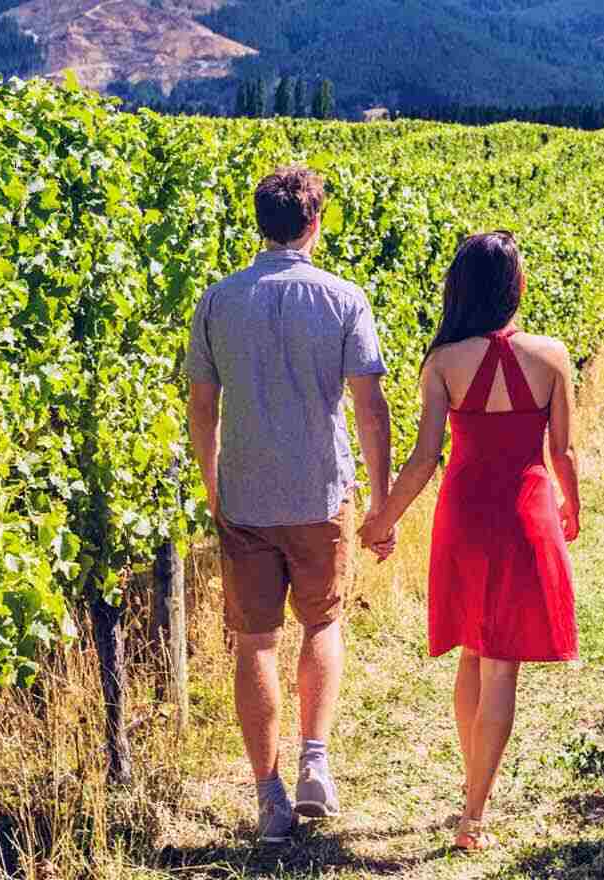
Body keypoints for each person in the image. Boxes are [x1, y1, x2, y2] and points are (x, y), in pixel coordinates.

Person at [186, 164, 395, 845]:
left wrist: (216, 487)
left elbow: (202, 409)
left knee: (255, 643)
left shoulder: (217, 301)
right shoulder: (343, 298)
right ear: (315, 223)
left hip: (245, 495)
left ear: (260, 222)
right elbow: (370, 408)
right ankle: (315, 763)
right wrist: (382, 499)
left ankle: (268, 795)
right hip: (319, 494)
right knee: (323, 625)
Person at [358, 231, 580, 851]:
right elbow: (562, 450)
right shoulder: (552, 356)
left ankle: (470, 784)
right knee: (501, 661)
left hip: (464, 518)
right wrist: (572, 506)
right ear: (516, 286)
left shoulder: (442, 363)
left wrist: (383, 520)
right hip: (524, 512)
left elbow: (425, 459)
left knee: (472, 652)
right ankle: (474, 812)